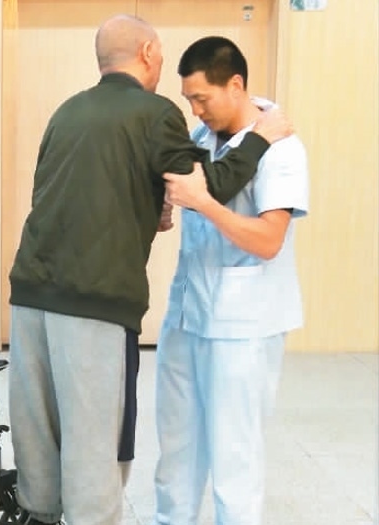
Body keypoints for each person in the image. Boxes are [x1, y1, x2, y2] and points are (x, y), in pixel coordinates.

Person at [7, 14, 293, 525]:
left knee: (38, 436)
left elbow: (58, 193)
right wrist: (261, 138)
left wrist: (146, 205)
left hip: (29, 295)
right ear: (147, 53)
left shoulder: (67, 111)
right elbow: (209, 187)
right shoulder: (155, 112)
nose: (191, 106)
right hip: (94, 303)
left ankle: (38, 515)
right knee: (93, 442)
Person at [153, 36, 309, 525]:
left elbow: (268, 240)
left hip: (244, 325)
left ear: (235, 84)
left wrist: (203, 203)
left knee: (233, 457)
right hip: (186, 314)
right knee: (176, 449)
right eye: (189, 100)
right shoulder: (200, 138)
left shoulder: (281, 148)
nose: (196, 110)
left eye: (202, 98)